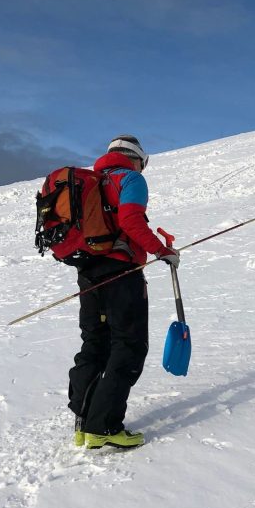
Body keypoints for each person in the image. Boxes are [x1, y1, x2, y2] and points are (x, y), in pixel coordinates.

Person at [68, 134, 180, 450]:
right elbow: (130, 220)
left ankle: (84, 424)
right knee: (128, 346)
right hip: (121, 274)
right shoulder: (129, 179)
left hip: (88, 275)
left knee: (94, 343)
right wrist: (161, 251)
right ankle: (103, 427)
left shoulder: (89, 182)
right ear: (136, 159)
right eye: (142, 165)